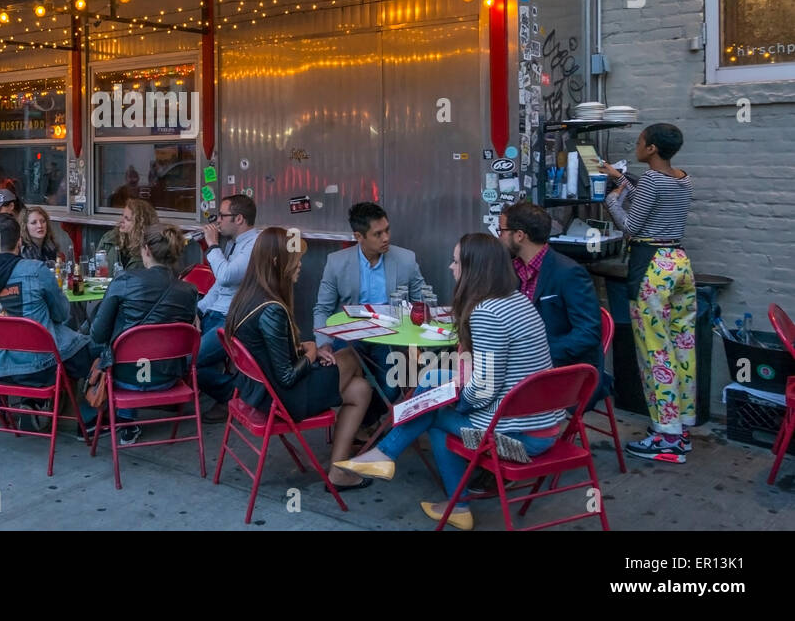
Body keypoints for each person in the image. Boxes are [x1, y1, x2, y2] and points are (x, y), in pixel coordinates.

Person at [334, 234, 566, 531]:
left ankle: (437, 489)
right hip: (541, 424)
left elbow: (482, 392)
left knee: (435, 414)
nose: (450, 267)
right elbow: (492, 377)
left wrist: (456, 397)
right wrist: (453, 385)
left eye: (456, 261)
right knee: (432, 380)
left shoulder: (487, 313)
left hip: (517, 442)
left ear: (473, 269)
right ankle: (391, 458)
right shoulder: (515, 300)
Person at [226, 228, 375, 492]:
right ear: (276, 262)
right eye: (296, 259)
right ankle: (371, 429)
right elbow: (287, 376)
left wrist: (302, 348)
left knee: (360, 390)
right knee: (352, 355)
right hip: (283, 399)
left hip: (256, 392)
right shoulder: (272, 308)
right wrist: (312, 353)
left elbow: (270, 354)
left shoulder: (247, 297)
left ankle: (338, 471)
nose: (300, 265)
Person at [602, 123, 697, 464]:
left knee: (654, 350)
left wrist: (612, 198)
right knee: (682, 346)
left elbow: (630, 226)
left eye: (641, 142)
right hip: (679, 262)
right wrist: (620, 177)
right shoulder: (682, 178)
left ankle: (665, 436)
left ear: (653, 148)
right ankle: (682, 427)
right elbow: (652, 197)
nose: (637, 146)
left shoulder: (654, 181)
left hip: (652, 267)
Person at [0, 214, 93, 424]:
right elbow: (62, 314)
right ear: (19, 241)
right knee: (93, 353)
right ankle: (87, 420)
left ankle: (33, 404)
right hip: (41, 367)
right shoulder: (35, 271)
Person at [88, 223, 200, 446]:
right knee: (137, 339)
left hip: (126, 376)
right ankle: (125, 421)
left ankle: (98, 419)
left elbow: (98, 334)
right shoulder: (189, 291)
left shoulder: (125, 281)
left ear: (146, 250)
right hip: (168, 376)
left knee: (87, 345)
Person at [498, 202, 607, 405]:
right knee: (466, 381)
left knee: (480, 393)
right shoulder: (511, 269)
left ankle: (491, 429)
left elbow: (589, 332)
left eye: (502, 230)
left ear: (519, 235)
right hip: (517, 365)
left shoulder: (568, 273)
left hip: (561, 372)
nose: (499, 236)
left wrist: (539, 355)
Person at [312, 202, 428, 351]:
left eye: (387, 230)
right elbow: (322, 309)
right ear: (359, 236)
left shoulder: (406, 260)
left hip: (392, 335)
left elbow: (423, 303)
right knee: (339, 367)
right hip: (351, 335)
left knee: (388, 363)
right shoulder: (336, 263)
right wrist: (324, 344)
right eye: (378, 234)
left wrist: (419, 345)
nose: (386, 238)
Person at [195, 194, 259, 418]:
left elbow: (226, 276)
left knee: (189, 360)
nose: (217, 221)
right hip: (215, 312)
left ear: (239, 218)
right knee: (175, 347)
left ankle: (234, 395)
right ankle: (227, 395)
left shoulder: (253, 245)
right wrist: (199, 309)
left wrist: (212, 245)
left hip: (232, 319)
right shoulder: (233, 244)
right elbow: (218, 288)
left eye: (222, 216)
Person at [97, 197, 157, 272]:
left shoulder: (150, 247)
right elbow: (96, 267)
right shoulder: (109, 238)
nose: (121, 221)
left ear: (140, 224)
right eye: (122, 216)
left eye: (127, 219)